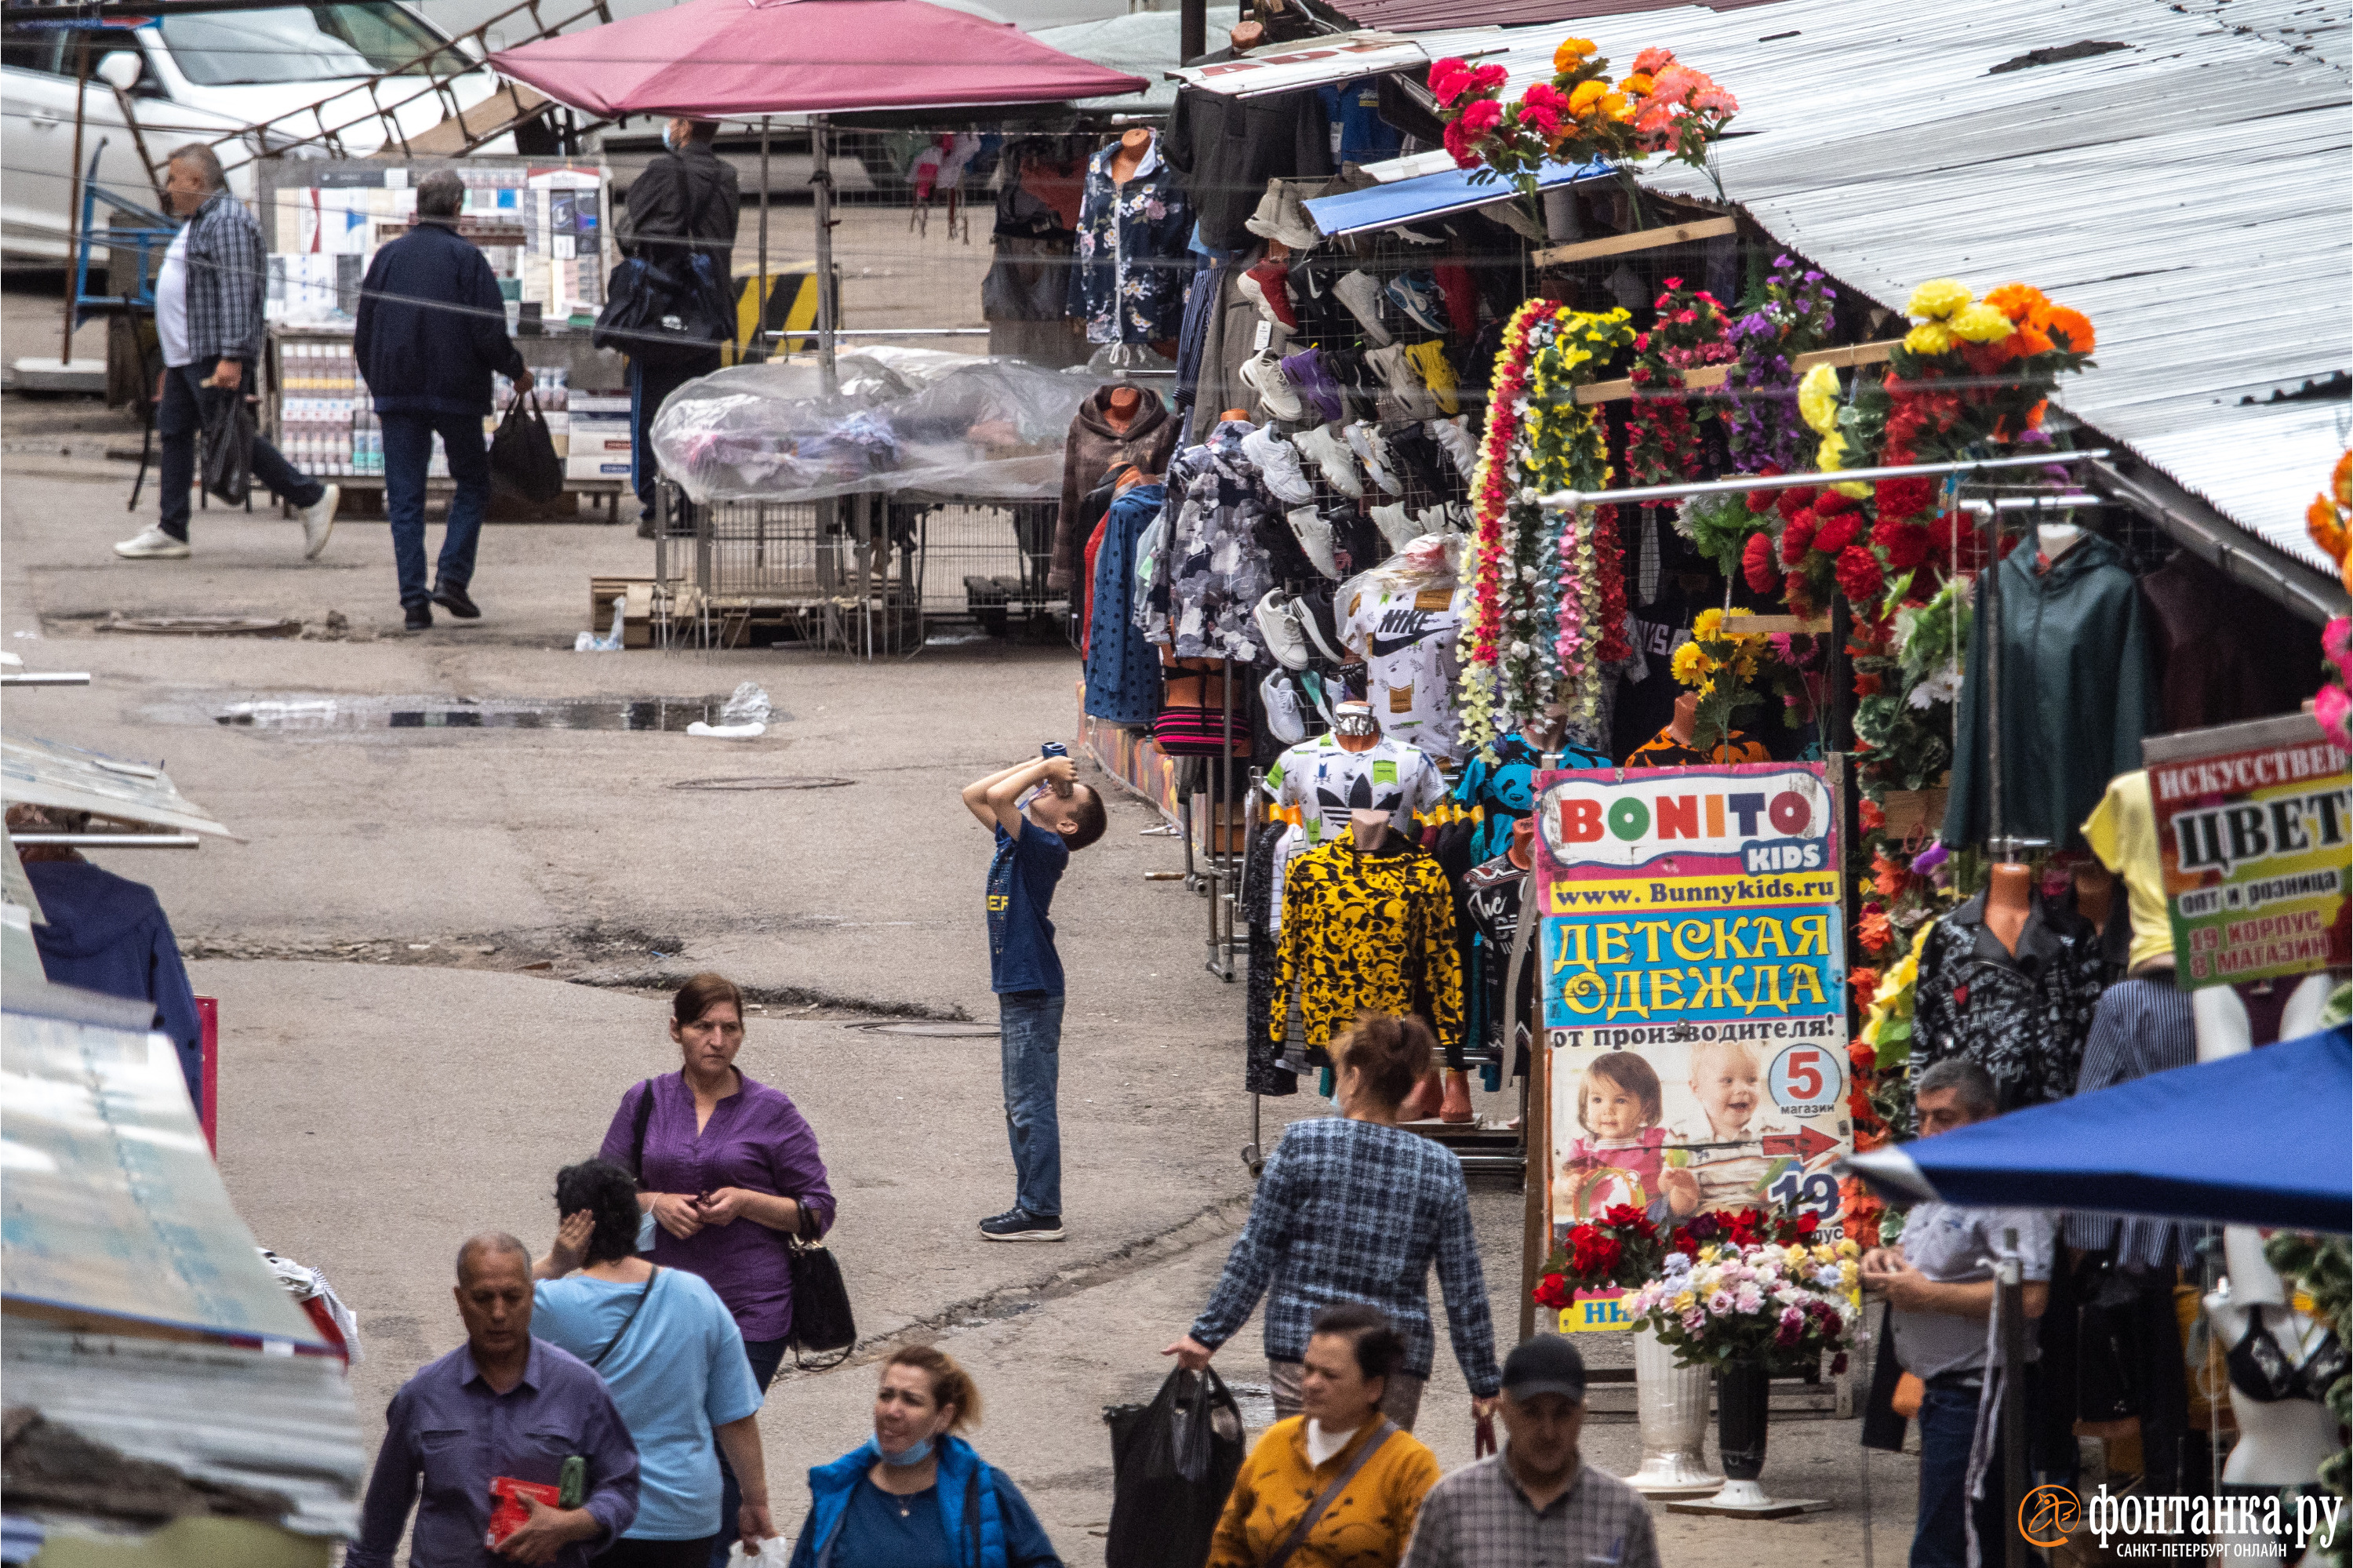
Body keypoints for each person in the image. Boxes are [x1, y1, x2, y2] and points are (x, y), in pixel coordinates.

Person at [1166, 1013, 1503, 1430]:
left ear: (1356, 1078)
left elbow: (1255, 1253)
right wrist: (1484, 1382)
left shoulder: (1302, 1144)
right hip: (1392, 1358)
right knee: (1376, 1482)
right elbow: (1463, 1286)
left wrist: (1206, 1336)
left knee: (1305, 1478)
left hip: (1303, 1349)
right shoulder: (1439, 1168)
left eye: (1340, 1073)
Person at [598, 973, 833, 1568]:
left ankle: (718, 1556)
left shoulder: (772, 1110)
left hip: (753, 1305)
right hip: (662, 1304)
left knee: (722, 1434)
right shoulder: (645, 1099)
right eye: (704, 1025)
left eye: (730, 1027)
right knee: (679, 1434)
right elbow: (602, 1192)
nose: (717, 1039)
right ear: (676, 1029)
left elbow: (816, 1210)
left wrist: (750, 1201)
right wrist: (654, 1203)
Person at [531, 1160, 772, 1566]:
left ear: (572, 1227)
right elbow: (735, 1416)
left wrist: (554, 1264)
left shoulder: (551, 1305)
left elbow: (481, 1300)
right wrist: (756, 1502)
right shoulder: (697, 1296)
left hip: (590, 1513)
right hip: (686, 1517)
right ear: (634, 1219)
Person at [1861, 1057, 2053, 1568]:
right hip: (1942, 1388)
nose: (1929, 1130)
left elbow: (2031, 1296)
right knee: (1982, 1537)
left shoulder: (2007, 1186)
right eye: (1922, 1117)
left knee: (1949, 1541)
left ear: (1986, 1115)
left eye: (1944, 1117)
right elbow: (1921, 1259)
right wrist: (1886, 1263)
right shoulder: (1940, 1181)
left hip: (1982, 1388)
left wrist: (1929, 1295)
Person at [350, 1234, 638, 1568]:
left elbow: (622, 1488)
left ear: (532, 1296)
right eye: (483, 1298)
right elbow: (377, 1526)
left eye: (513, 1297)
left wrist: (568, 1526)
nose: (499, 1313)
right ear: (460, 1300)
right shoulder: (422, 1395)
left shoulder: (580, 1389)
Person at [115, 142, 340, 563]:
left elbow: (237, 292)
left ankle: (311, 497)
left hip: (212, 352)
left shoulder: (228, 222)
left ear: (197, 181)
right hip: (186, 352)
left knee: (230, 435)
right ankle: (171, 529)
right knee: (176, 430)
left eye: (174, 179)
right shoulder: (203, 219)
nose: (168, 188)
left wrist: (232, 356)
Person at [353, 167, 534, 632]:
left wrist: (383, 386)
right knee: (473, 483)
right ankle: (452, 578)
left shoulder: (388, 258)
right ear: (458, 208)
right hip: (457, 395)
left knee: (406, 499)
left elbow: (364, 333)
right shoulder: (467, 260)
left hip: (399, 397)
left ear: (419, 205)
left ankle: (414, 604)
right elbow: (489, 333)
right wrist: (516, 371)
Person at [958, 753, 1108, 1242]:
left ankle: (1041, 1210)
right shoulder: (1019, 840)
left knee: (1031, 1104)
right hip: (1020, 987)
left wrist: (1045, 773)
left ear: (1064, 825)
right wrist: (1041, 764)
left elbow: (1002, 796)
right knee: (1020, 1104)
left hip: (1034, 988)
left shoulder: (1046, 848)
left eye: (1061, 794)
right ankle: (1032, 1205)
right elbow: (975, 795)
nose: (1048, 789)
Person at [1208, 1304, 1442, 1568]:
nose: (1311, 1384)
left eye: (1330, 1375)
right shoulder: (1275, 1442)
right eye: (1308, 1369)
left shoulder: (1410, 1466)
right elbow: (1228, 1544)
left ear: (1373, 1388)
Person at [787, 1345, 1061, 1568]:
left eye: (911, 1400)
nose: (892, 1411)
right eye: (886, 1396)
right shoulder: (839, 1491)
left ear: (944, 1417)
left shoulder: (984, 1490)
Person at [1399, 1336, 1660, 1568]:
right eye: (1531, 1413)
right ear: (1503, 1412)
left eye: (1562, 1413)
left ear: (1583, 1413)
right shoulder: (1450, 1505)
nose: (1548, 1432)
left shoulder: (1625, 1511)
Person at [620, 118, 738, 535]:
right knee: (700, 415)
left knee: (653, 411)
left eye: (672, 119)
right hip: (710, 312)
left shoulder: (660, 172)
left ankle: (654, 508)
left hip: (661, 313)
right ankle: (692, 510)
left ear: (685, 127)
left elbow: (626, 234)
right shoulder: (728, 177)